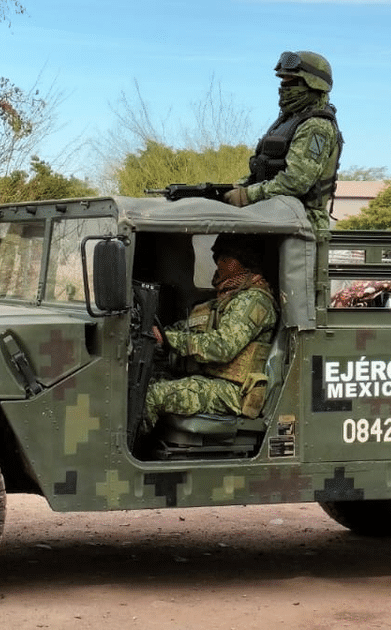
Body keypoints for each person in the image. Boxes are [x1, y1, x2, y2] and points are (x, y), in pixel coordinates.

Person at [144, 235, 278, 429]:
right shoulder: (222, 300)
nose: (219, 264)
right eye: (218, 258)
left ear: (245, 263)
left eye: (227, 259)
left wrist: (168, 339)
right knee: (141, 382)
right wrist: (158, 333)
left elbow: (222, 347)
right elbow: (185, 328)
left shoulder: (253, 300)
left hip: (233, 391)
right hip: (210, 379)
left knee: (151, 396)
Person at [223, 50, 344, 235]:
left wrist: (246, 195)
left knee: (235, 260)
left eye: (292, 82)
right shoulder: (288, 121)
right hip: (275, 217)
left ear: (313, 85)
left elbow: (296, 181)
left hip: (300, 225)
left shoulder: (316, 126)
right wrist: (237, 187)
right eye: (282, 82)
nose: (284, 88)